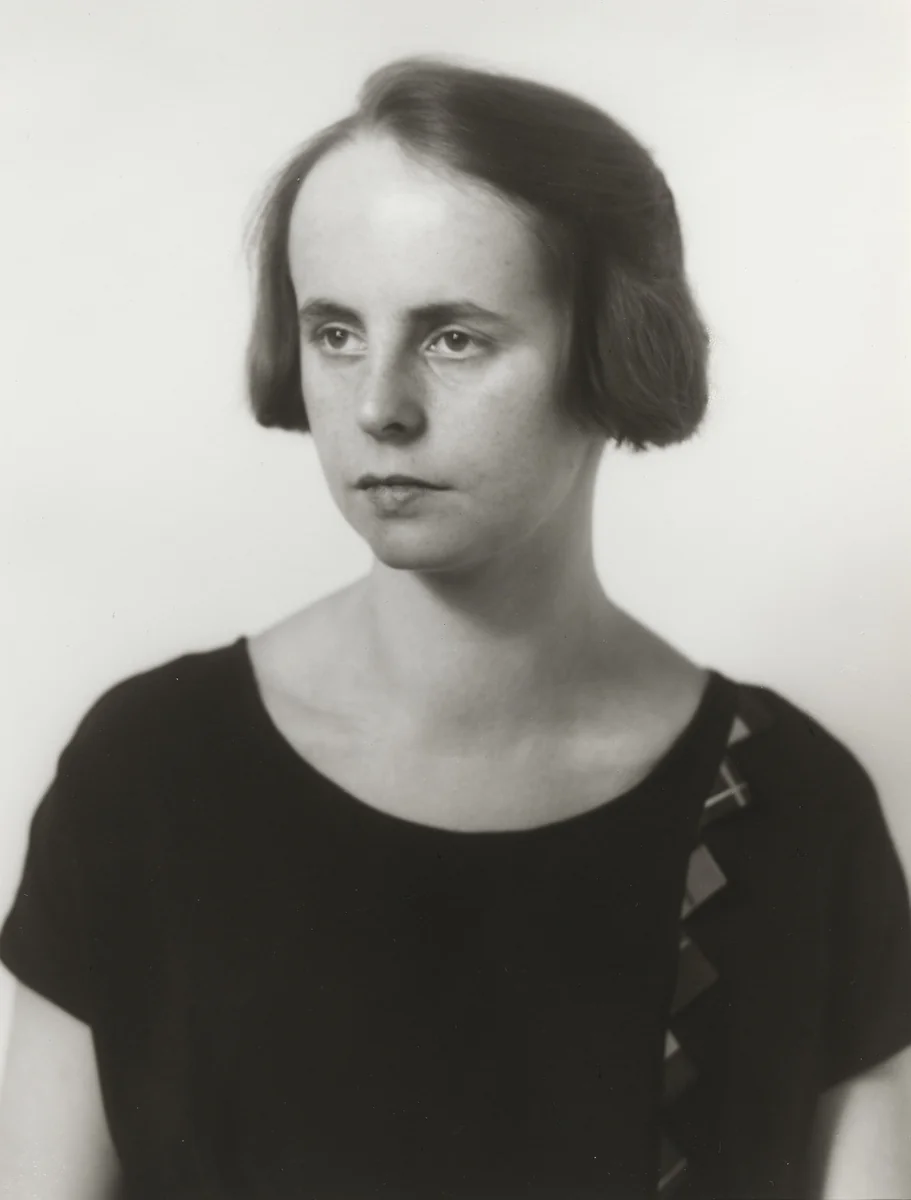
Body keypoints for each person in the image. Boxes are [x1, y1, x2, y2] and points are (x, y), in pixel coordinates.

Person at [1, 56, 910, 1200]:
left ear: (608, 352)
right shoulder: (140, 778)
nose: (378, 403)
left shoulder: (792, 813)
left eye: (453, 337)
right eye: (333, 330)